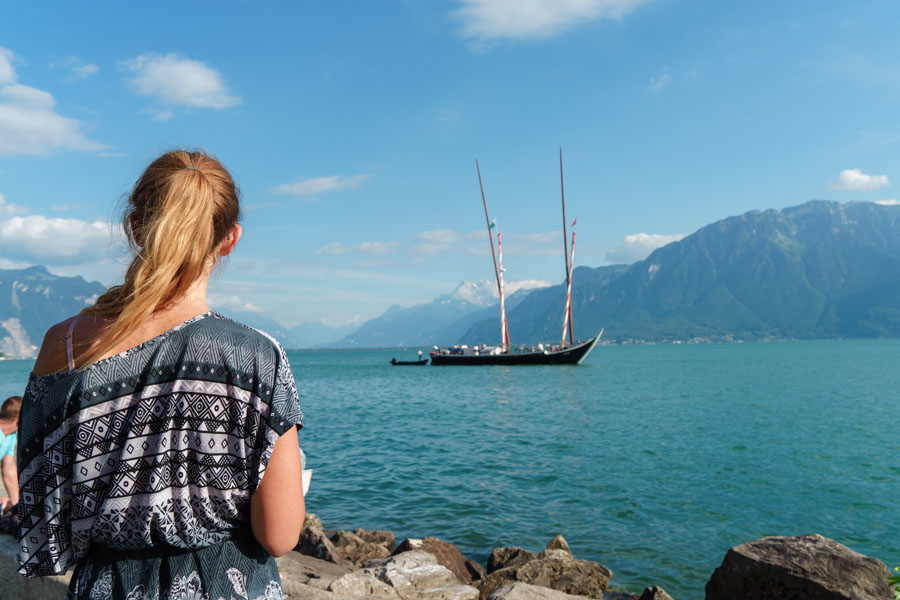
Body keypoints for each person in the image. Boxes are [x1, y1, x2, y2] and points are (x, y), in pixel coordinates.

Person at [16, 150, 305, 600]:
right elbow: (280, 536)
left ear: (135, 227)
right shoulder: (257, 356)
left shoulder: (64, 343)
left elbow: (46, 516)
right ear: (230, 239)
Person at [0, 395, 20, 514]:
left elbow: (9, 471)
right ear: (18, 420)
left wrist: (17, 507)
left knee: (9, 503)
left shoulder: (11, 435)